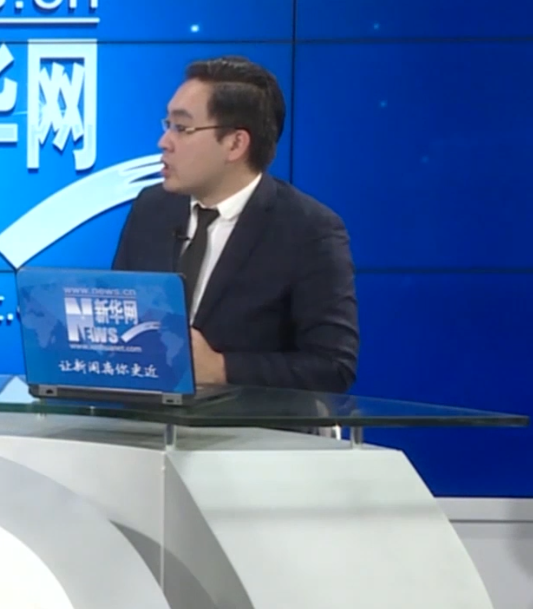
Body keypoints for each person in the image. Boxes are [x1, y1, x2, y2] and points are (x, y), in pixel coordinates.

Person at [111, 56, 358, 393]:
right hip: (145, 419)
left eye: (181, 128)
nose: (164, 142)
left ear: (235, 144)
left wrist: (222, 368)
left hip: (248, 424)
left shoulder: (308, 230)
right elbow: (120, 323)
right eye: (167, 124)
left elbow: (333, 366)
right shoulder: (151, 209)